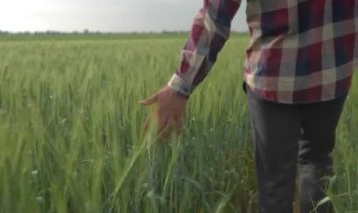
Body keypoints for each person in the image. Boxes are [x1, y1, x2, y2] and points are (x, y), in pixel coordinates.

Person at [140, 0, 357, 212]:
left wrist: (180, 85)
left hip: (273, 77)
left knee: (275, 186)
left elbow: (215, 15)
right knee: (316, 162)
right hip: (333, 69)